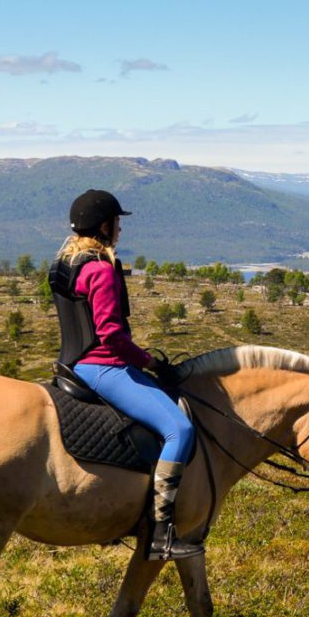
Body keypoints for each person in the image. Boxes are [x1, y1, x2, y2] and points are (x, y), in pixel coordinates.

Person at [49, 189, 200, 560]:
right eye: (117, 223)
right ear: (104, 226)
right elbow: (112, 336)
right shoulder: (100, 270)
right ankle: (162, 532)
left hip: (71, 363)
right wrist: (148, 361)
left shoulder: (65, 264)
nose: (120, 230)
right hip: (104, 368)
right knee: (179, 429)